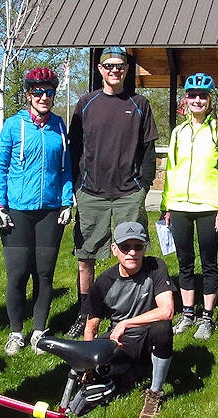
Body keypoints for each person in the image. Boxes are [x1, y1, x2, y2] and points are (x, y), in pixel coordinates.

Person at [68, 46, 159, 338]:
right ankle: (86, 312)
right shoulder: (85, 103)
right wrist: (77, 186)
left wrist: (143, 186)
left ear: (126, 69)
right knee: (87, 256)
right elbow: (74, 149)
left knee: (132, 253)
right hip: (91, 193)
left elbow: (148, 150)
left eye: (119, 66)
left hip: (128, 193)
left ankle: (130, 312)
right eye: (109, 66)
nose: (114, 71)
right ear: (100, 69)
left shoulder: (139, 103)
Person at [0, 67, 73, 355]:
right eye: (38, 92)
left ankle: (39, 330)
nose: (43, 97)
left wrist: (67, 202)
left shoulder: (59, 127)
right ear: (29, 95)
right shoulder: (15, 126)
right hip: (17, 210)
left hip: (50, 211)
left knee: (44, 274)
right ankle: (16, 332)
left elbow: (66, 169)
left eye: (49, 92)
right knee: (17, 274)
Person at [160, 72, 218, 340]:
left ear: (209, 100)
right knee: (184, 262)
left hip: (209, 206)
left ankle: (208, 317)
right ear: (186, 99)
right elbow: (171, 170)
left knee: (209, 263)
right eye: (193, 95)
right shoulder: (178, 132)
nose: (198, 100)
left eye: (203, 96)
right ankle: (188, 313)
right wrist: (167, 205)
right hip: (179, 206)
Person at [82, 222, 176, 418]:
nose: (132, 252)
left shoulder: (156, 267)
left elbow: (167, 311)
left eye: (138, 247)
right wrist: (87, 366)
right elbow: (91, 326)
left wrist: (126, 323)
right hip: (121, 341)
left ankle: (155, 393)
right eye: (125, 247)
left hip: (147, 335)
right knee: (101, 374)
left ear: (145, 248)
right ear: (114, 250)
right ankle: (131, 371)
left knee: (163, 328)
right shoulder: (104, 281)